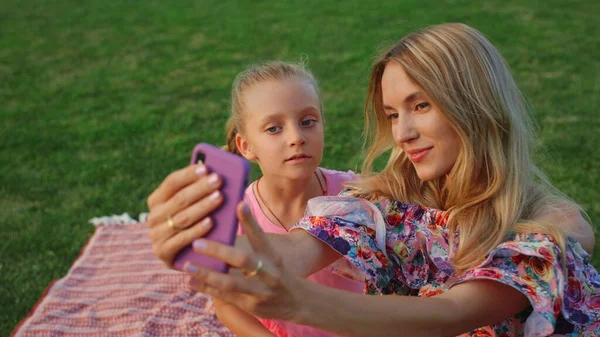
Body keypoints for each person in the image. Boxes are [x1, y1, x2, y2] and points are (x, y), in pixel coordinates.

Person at [148, 23, 599, 336]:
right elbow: (290, 250)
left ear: (475, 103)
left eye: (420, 105)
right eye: (391, 114)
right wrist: (200, 236)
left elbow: (450, 315)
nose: (401, 134)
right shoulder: (385, 200)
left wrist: (297, 302)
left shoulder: (552, 229)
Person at [147, 61, 363, 337]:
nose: (297, 137)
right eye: (274, 129)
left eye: (308, 122)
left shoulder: (354, 193)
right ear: (246, 146)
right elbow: (227, 304)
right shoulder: (236, 215)